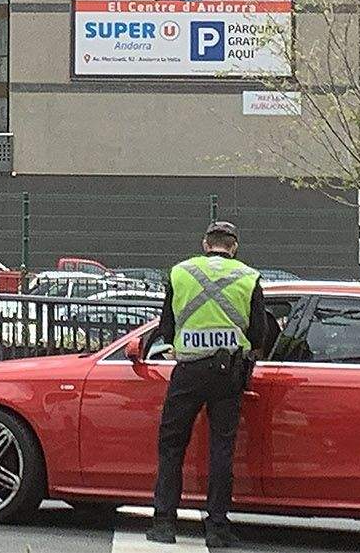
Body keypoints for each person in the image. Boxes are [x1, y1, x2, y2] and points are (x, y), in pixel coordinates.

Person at [147, 221, 273, 548]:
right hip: (227, 373)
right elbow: (259, 334)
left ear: (206, 244)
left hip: (188, 372)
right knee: (221, 450)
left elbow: (166, 328)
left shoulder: (180, 273)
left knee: (172, 446)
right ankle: (217, 527)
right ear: (234, 247)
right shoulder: (248, 277)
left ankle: (163, 523)